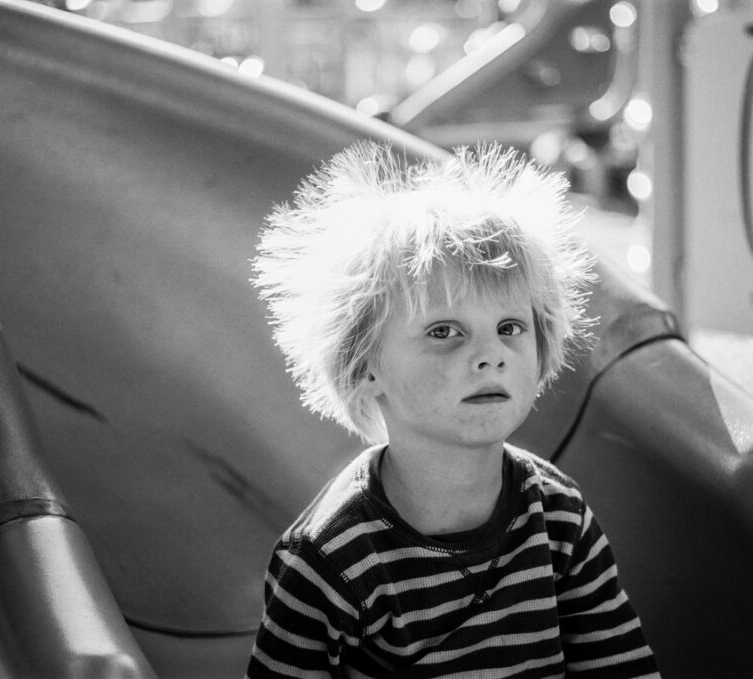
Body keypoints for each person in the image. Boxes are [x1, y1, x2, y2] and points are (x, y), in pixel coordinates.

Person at [246, 141, 659, 678]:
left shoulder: (556, 516)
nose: (491, 355)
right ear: (364, 363)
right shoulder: (333, 558)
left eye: (510, 328)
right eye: (445, 332)